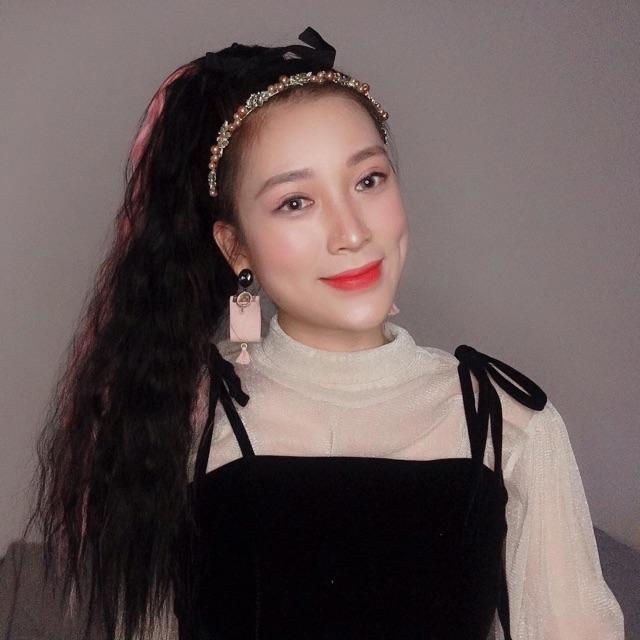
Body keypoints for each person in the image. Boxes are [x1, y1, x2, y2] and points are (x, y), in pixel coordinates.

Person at [25, 26, 623, 640]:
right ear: (235, 247)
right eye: (295, 202)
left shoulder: (507, 422)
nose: (352, 232)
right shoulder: (186, 418)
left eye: (368, 181)